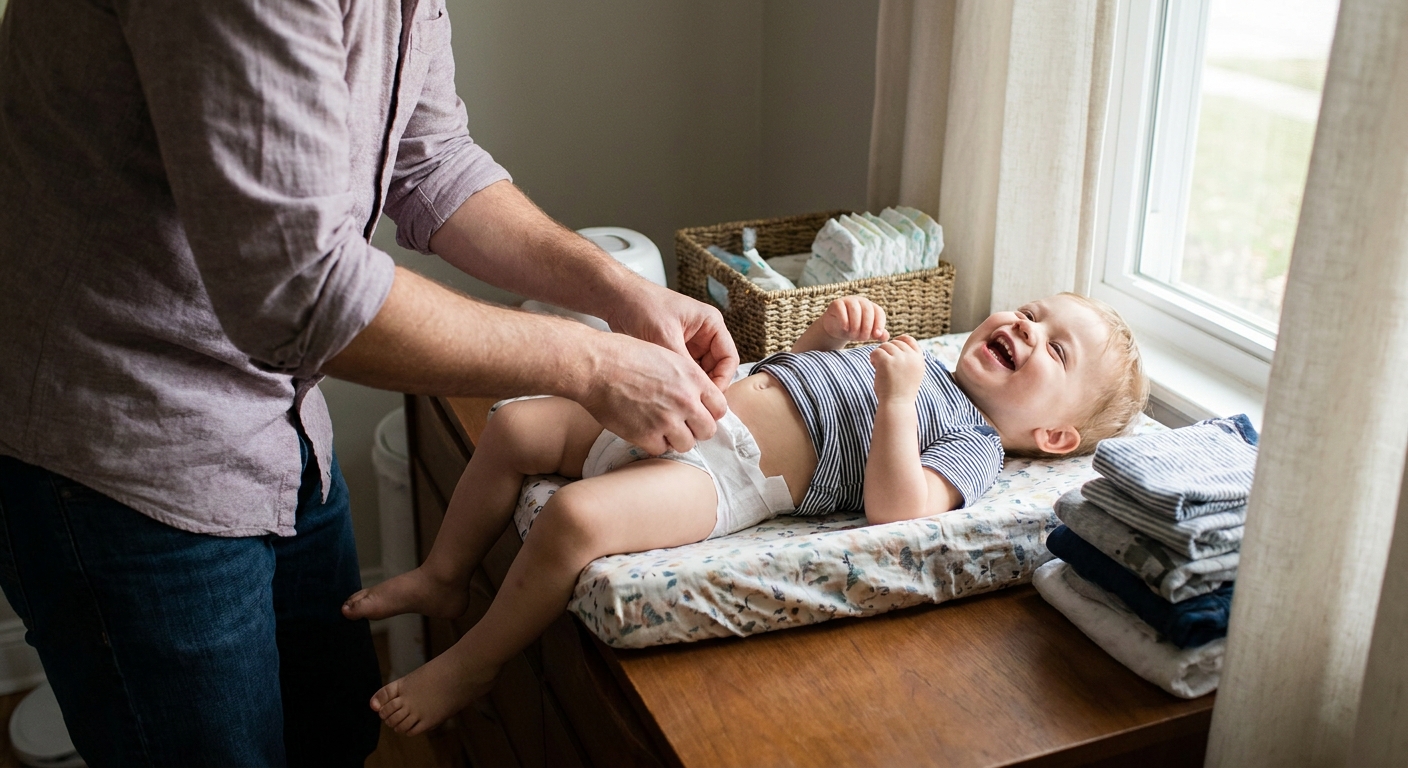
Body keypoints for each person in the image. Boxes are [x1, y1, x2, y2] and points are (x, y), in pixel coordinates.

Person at [0, 0, 735, 765]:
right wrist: (592, 362)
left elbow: (432, 159)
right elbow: (303, 292)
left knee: (334, 736)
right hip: (119, 453)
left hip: (276, 425)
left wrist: (617, 292)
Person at [344, 292, 1150, 735]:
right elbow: (790, 384)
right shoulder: (922, 357)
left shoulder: (972, 442)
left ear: (1053, 435)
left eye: (1055, 349)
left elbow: (896, 510)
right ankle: (445, 576)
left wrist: (900, 399)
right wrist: (824, 339)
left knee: (575, 523)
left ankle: (475, 661)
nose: (1026, 328)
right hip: (694, 409)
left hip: (730, 474)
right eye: (1034, 312)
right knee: (516, 425)